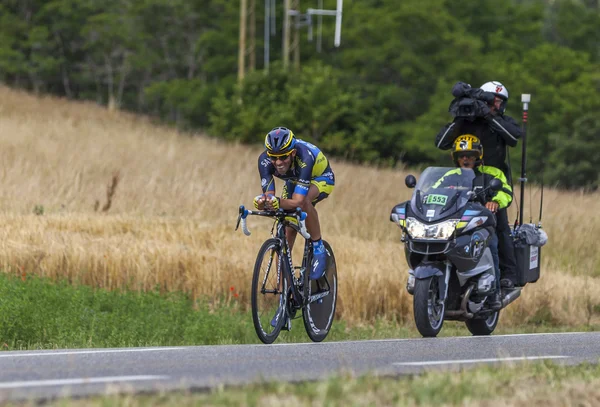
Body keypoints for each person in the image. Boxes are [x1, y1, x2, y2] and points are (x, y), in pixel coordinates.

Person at [435, 81, 521, 288]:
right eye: (492, 101)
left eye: (500, 102)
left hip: (493, 181)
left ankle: (508, 274)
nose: (496, 105)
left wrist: (489, 116)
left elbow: (513, 137)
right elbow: (441, 143)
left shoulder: (500, 120)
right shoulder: (467, 120)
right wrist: (459, 118)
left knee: (499, 228)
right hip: (464, 179)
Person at [433, 134, 515, 310]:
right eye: (461, 156)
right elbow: (432, 193)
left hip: (481, 223)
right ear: (455, 158)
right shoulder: (449, 176)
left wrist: (495, 202)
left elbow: (506, 192)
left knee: (490, 245)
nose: (465, 159)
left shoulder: (492, 173)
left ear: (478, 156)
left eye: (469, 155)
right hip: (455, 224)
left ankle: (494, 293)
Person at [254, 126, 335, 290]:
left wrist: (278, 201)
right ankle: (285, 299)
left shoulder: (305, 156)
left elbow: (298, 202)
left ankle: (318, 246)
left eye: (283, 156)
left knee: (304, 202)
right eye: (273, 157)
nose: (278, 162)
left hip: (320, 178)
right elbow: (270, 195)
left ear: (292, 153)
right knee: (286, 229)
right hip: (294, 181)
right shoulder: (264, 161)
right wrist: (265, 201)